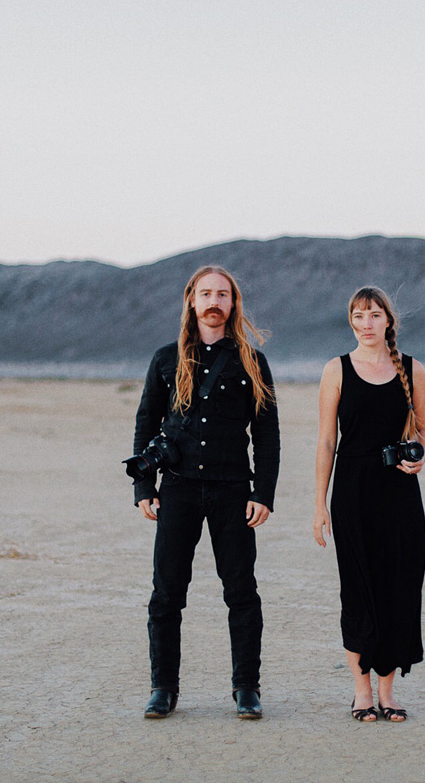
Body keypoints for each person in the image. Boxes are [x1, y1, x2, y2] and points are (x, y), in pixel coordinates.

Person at [131, 265, 280, 720]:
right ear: (191, 301)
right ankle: (163, 689)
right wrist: (144, 486)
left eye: (223, 294)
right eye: (206, 294)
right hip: (177, 489)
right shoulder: (164, 360)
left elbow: (267, 434)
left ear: (233, 303)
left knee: (241, 591)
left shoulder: (253, 361)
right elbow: (145, 422)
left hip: (233, 490)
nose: (214, 301)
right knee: (167, 593)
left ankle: (246, 689)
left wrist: (264, 493)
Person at [313, 286, 425, 722]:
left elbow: (422, 431)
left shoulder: (412, 369)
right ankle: (361, 692)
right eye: (358, 316)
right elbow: (327, 441)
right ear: (351, 322)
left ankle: (388, 692)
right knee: (359, 590)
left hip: (400, 493)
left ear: (388, 321)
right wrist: (320, 505)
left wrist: (419, 457)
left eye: (374, 315)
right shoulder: (336, 369)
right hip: (352, 492)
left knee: (399, 588)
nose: (366, 324)